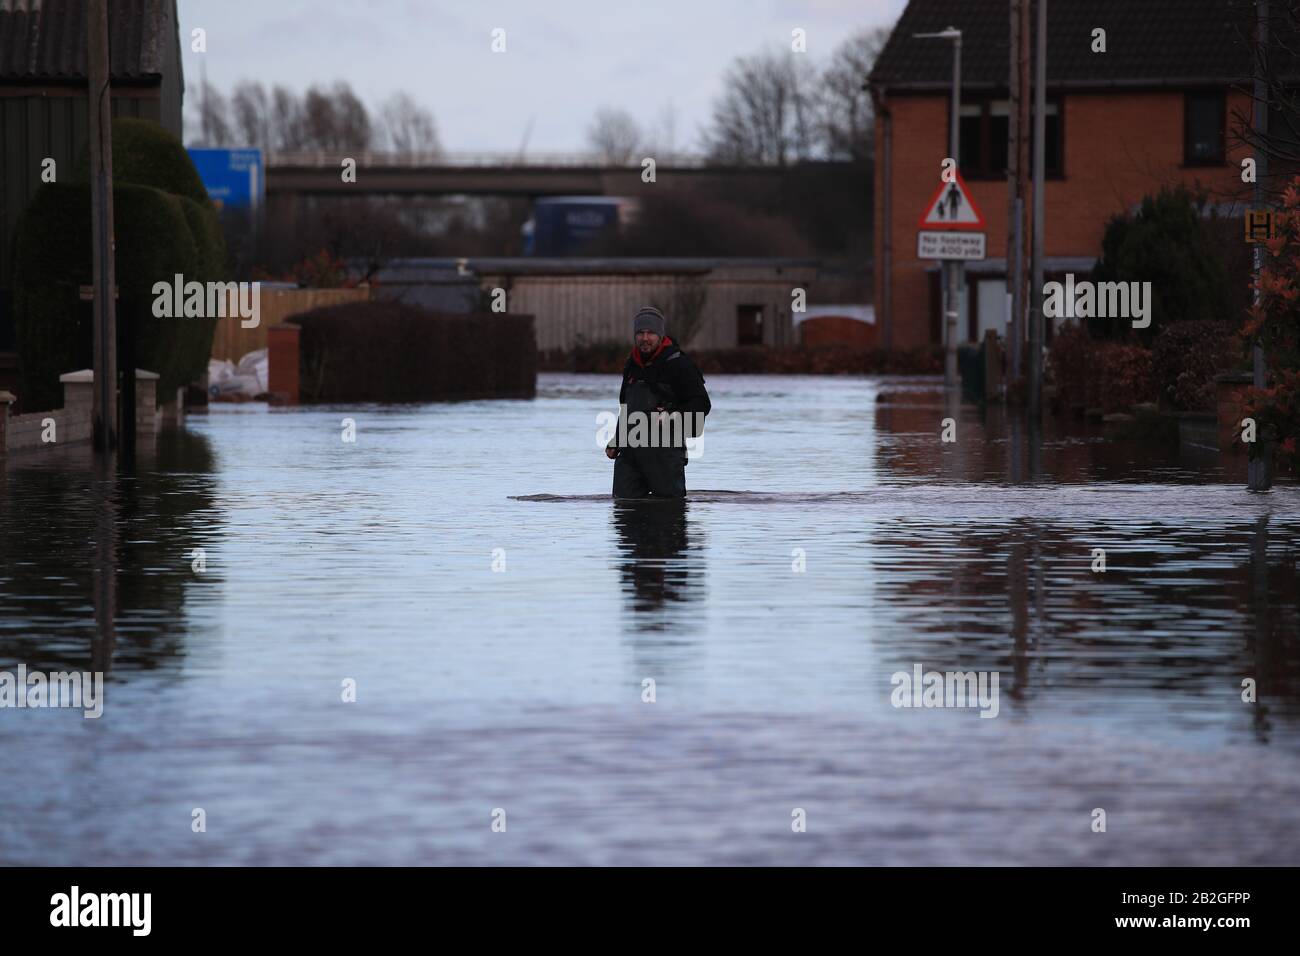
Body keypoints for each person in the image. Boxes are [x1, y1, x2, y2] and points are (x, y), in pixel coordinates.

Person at [606, 306, 711, 498]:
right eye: (640, 333)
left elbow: (702, 404)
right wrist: (616, 441)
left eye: (651, 333)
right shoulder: (631, 365)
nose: (645, 338)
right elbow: (626, 408)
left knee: (668, 511)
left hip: (665, 454)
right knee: (623, 507)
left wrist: (672, 416)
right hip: (630, 455)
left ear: (660, 335)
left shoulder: (679, 364)